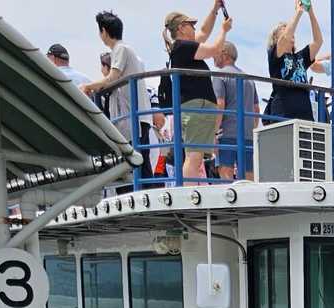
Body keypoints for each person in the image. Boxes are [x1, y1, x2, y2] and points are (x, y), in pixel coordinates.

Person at [80, 12, 157, 180]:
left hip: (135, 117)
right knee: (139, 160)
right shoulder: (123, 49)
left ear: (104, 31)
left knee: (138, 161)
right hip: (134, 116)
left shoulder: (121, 49)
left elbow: (112, 77)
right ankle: (144, 188)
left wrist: (87, 86)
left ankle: (144, 189)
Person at [162, 5, 233, 181]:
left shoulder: (182, 47)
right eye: (190, 25)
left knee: (195, 157)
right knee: (194, 157)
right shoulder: (183, 47)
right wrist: (224, 31)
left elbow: (204, 32)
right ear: (181, 28)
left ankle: (189, 189)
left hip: (196, 107)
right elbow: (215, 49)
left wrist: (215, 9)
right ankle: (188, 192)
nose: (194, 28)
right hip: (197, 107)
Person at [265, 0, 324, 122]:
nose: (290, 31)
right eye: (284, 29)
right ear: (276, 38)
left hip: (305, 117)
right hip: (283, 116)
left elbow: (318, 41)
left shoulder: (301, 57)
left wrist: (311, 12)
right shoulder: (274, 54)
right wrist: (299, 11)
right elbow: (285, 38)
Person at [213, 42, 260, 180]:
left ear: (224, 54)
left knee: (225, 173)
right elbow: (256, 109)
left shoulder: (219, 75)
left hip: (226, 134)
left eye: (216, 52)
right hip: (248, 135)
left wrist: (214, 133)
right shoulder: (249, 78)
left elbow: (219, 105)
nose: (213, 56)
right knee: (248, 175)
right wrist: (251, 129)